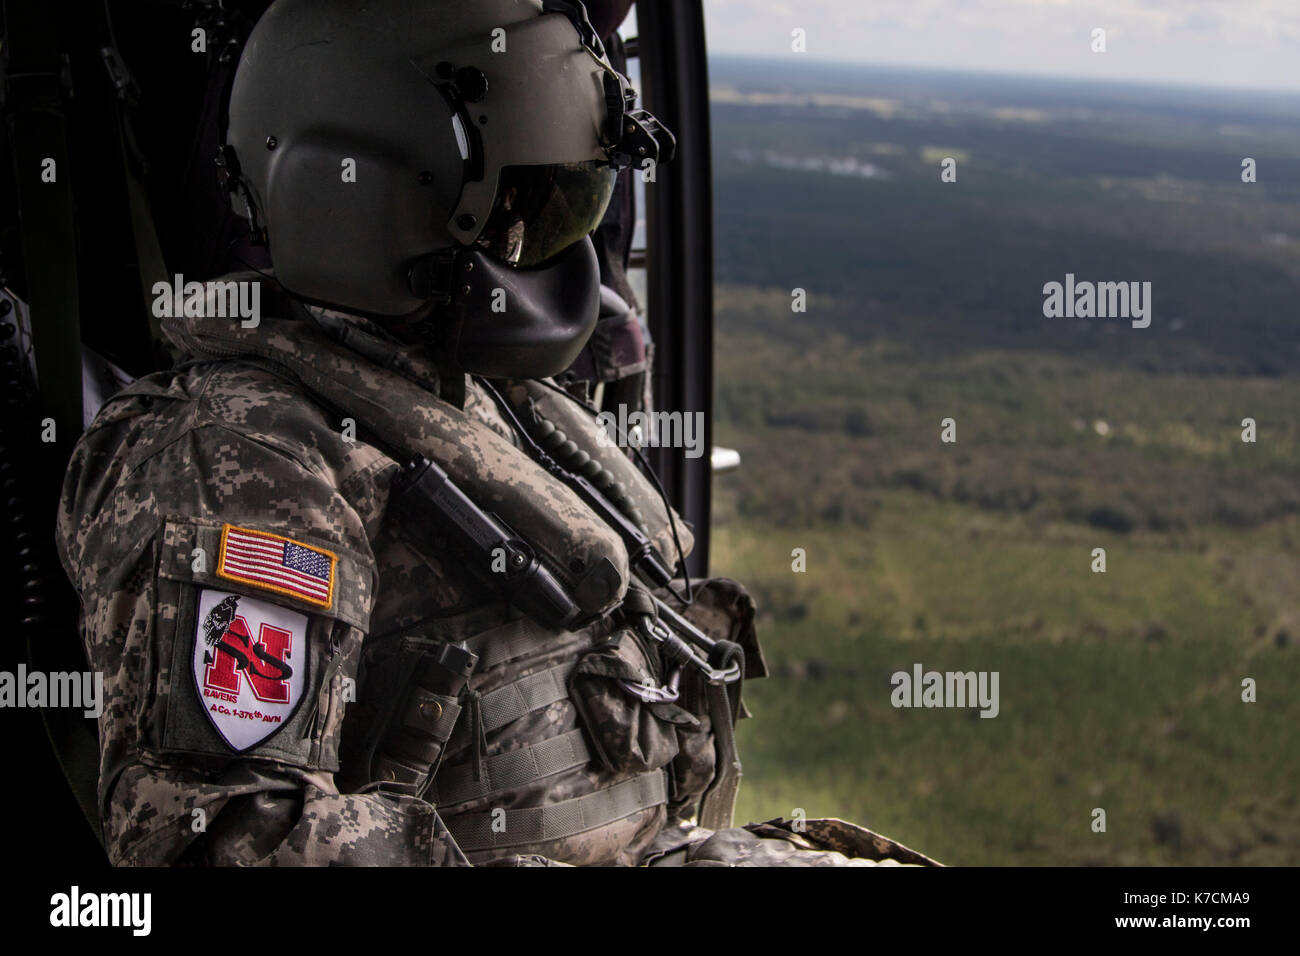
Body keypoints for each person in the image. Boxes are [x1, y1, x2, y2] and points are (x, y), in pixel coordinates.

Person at [56, 0, 936, 867]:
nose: (553, 252)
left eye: (565, 211)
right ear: (368, 194)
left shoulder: (478, 400)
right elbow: (229, 838)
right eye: (520, 212)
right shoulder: (242, 462)